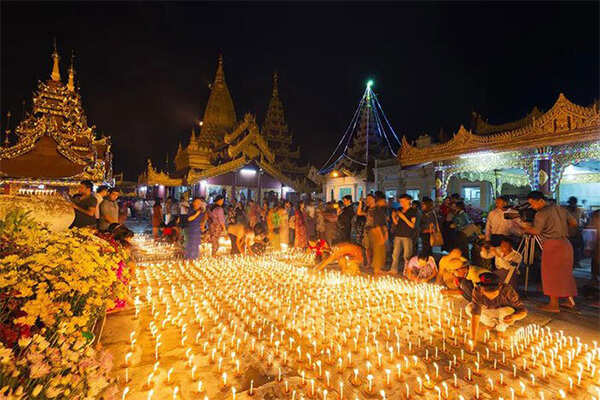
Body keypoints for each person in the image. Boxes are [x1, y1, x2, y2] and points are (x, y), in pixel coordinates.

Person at [524, 191, 578, 312]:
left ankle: (554, 304)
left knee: (551, 275)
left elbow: (536, 231)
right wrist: (560, 228)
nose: (532, 207)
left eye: (532, 203)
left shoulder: (541, 213)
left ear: (541, 201)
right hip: (566, 244)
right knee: (565, 274)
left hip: (553, 246)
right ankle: (569, 301)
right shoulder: (561, 209)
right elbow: (574, 223)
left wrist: (524, 228)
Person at [467, 273, 528, 345]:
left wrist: (513, 317)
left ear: (499, 286)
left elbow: (523, 311)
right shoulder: (477, 290)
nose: (491, 297)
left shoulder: (507, 290)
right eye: (487, 293)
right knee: (469, 308)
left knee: (509, 311)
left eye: (493, 293)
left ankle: (501, 329)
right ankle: (490, 323)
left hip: (503, 312)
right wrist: (473, 338)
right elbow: (475, 314)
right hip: (488, 309)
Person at [390, 194, 417, 274]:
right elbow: (396, 223)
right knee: (395, 254)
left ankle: (406, 271)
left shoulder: (412, 211)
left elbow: (412, 225)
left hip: (407, 235)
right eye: (400, 201)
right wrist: (393, 217)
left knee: (407, 255)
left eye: (403, 201)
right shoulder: (399, 209)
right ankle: (393, 269)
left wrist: (403, 217)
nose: (401, 203)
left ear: (408, 201)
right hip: (398, 234)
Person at [368, 191, 388, 276]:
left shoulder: (379, 210)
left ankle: (378, 268)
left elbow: (382, 223)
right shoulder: (376, 210)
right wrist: (381, 236)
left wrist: (386, 232)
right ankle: (376, 269)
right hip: (376, 231)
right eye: (384, 201)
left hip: (379, 230)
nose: (385, 203)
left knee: (381, 250)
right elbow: (377, 224)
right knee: (378, 250)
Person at [564, 196, 585, 269]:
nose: (572, 205)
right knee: (568, 250)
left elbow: (584, 219)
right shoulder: (565, 210)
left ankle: (577, 262)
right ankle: (569, 263)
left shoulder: (580, 210)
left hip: (577, 232)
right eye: (571, 203)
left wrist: (582, 225)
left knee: (578, 249)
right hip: (568, 233)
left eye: (573, 203)